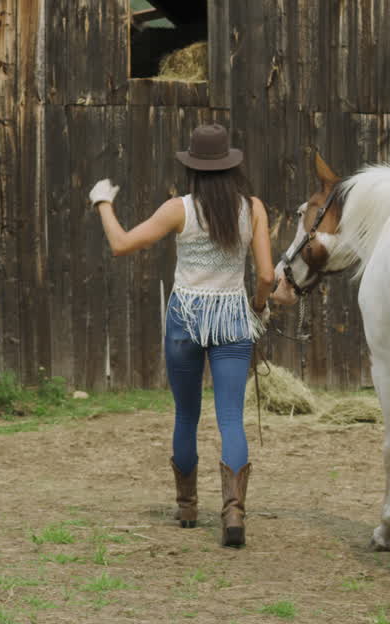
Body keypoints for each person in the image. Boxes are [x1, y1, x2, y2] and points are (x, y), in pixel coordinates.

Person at [89, 123, 296, 547]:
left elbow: (121, 244)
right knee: (231, 420)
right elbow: (263, 275)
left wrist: (103, 203)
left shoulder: (177, 208)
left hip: (186, 317)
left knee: (186, 416)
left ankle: (187, 506)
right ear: (230, 166)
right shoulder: (253, 208)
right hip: (233, 319)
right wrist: (258, 307)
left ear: (194, 168)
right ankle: (234, 512)